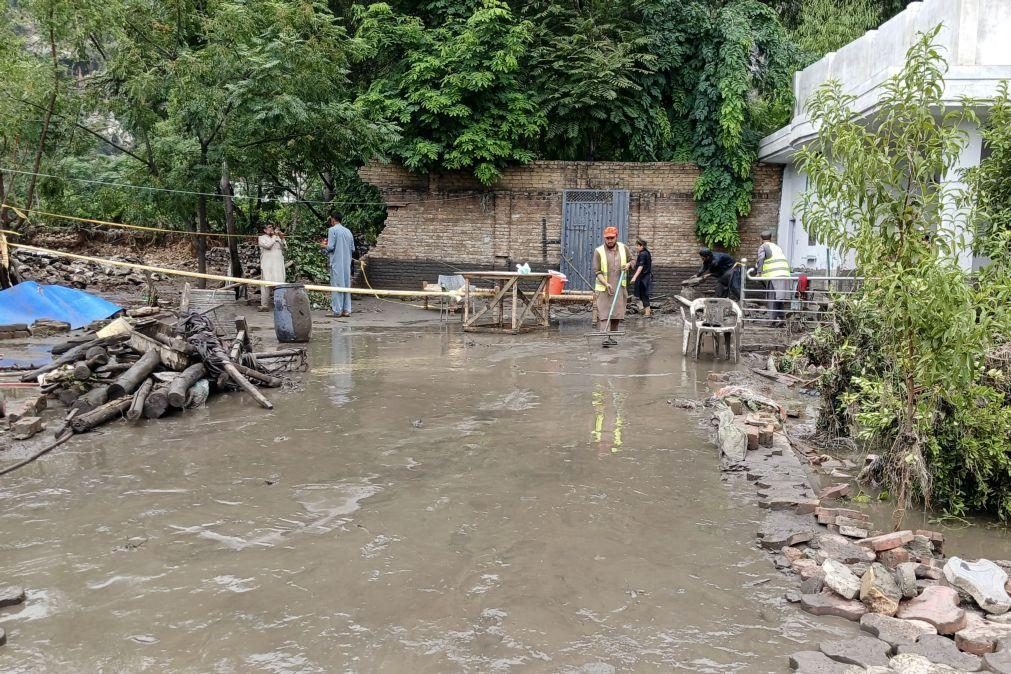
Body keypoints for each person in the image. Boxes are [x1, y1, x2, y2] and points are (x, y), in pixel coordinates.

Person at [592, 226, 630, 347]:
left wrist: (629, 264)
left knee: (616, 314)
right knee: (604, 314)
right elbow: (597, 271)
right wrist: (606, 283)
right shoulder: (599, 251)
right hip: (604, 288)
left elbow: (632, 260)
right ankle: (605, 337)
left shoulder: (624, 248)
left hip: (619, 287)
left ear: (616, 237)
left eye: (611, 238)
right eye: (607, 238)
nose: (609, 240)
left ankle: (612, 337)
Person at [754, 230, 792, 326]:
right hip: (785, 274)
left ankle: (772, 321)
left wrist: (759, 273)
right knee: (778, 298)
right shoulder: (777, 247)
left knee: (772, 298)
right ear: (771, 239)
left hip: (775, 275)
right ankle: (782, 319)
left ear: (761, 239)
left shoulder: (763, 247)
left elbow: (761, 258)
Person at [323, 212, 356, 317]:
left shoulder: (332, 230)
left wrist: (323, 246)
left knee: (337, 285)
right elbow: (353, 248)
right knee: (346, 285)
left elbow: (330, 247)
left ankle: (337, 310)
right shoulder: (348, 232)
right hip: (346, 263)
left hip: (337, 263)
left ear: (333, 220)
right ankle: (346, 310)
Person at [257, 224, 287, 311]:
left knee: (280, 284)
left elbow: (285, 248)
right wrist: (275, 237)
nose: (271, 229)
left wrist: (281, 238)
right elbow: (268, 246)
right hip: (267, 265)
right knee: (266, 285)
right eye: (269, 227)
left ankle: (280, 304)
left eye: (272, 227)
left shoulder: (277, 237)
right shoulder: (261, 238)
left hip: (278, 265)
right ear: (265, 230)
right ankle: (264, 305)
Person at [629, 237, 653, 317]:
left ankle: (647, 312)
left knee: (644, 294)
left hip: (644, 278)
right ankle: (647, 310)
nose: (636, 247)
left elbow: (640, 267)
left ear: (642, 246)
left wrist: (634, 277)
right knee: (642, 294)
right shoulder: (647, 253)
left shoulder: (642, 254)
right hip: (645, 276)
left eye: (637, 246)